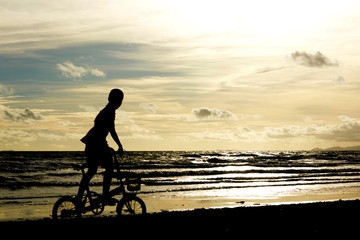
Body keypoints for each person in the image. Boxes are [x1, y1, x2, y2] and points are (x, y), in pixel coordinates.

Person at [76, 88, 124, 206]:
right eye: (118, 100)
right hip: (96, 144)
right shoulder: (109, 112)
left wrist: (108, 147)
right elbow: (111, 130)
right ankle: (105, 196)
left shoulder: (107, 110)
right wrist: (119, 145)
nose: (119, 103)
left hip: (95, 143)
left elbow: (103, 131)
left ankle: (79, 198)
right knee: (109, 168)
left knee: (92, 171)